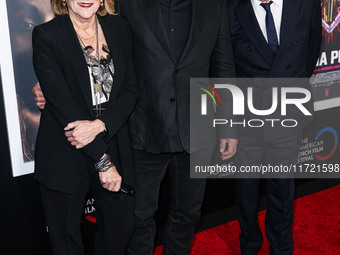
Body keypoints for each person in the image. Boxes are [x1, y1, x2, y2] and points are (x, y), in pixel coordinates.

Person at [33, 0, 238, 254]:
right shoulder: (127, 4)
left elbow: (224, 66)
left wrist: (228, 123)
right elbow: (76, 52)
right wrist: (46, 86)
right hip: (142, 132)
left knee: (188, 214)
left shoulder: (214, 6)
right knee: (138, 219)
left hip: (198, 130)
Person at [32, 0, 138, 254]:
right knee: (66, 241)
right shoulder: (46, 35)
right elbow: (63, 107)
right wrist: (103, 161)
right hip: (65, 146)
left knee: (121, 228)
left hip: (112, 138)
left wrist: (101, 124)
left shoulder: (120, 28)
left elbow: (132, 88)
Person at [227, 0, 322, 254]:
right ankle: (249, 243)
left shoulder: (305, 3)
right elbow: (225, 63)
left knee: (281, 189)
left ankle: (281, 248)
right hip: (247, 116)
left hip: (288, 111)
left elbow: (311, 50)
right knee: (246, 191)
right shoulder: (229, 7)